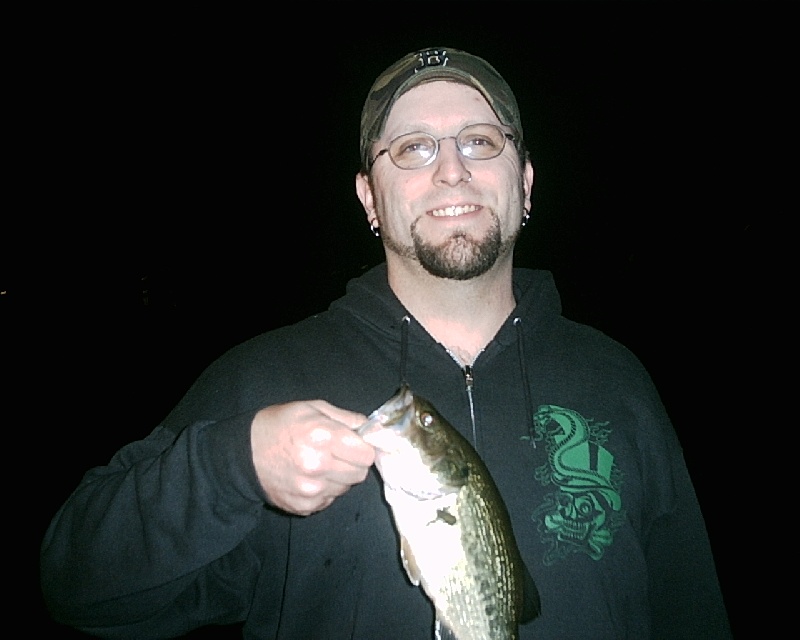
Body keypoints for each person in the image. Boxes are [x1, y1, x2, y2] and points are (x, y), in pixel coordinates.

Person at [40, 46, 731, 639]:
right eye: (413, 147)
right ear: (370, 197)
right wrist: (233, 466)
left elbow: (691, 610)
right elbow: (78, 588)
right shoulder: (268, 377)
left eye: (481, 141)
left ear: (524, 183)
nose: (451, 170)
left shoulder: (616, 377)